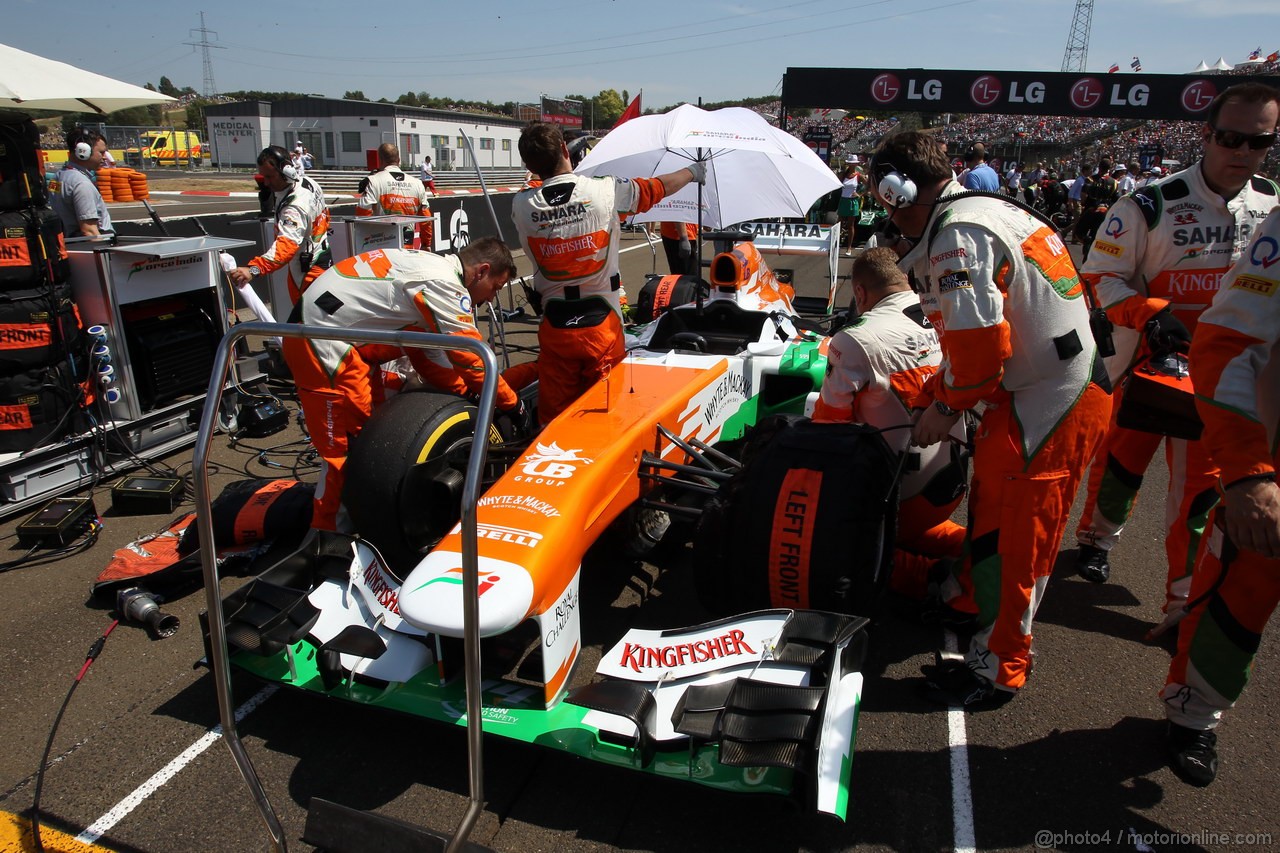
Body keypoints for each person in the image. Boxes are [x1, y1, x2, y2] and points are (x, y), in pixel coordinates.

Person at [869, 130, 1110, 708]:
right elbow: (970, 348)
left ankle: (1000, 668)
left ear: (898, 191)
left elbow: (977, 349)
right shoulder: (976, 213)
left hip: (1050, 399)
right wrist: (938, 392)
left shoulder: (959, 233)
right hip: (1029, 389)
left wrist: (945, 407)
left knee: (1023, 542)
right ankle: (969, 602)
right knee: (993, 521)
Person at [1072, 83, 1279, 617]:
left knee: (1198, 496)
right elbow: (1098, 277)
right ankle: (1096, 541)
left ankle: (1182, 604)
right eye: (1232, 138)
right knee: (1121, 464)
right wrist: (1152, 314)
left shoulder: (1273, 205)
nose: (1243, 152)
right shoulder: (1149, 202)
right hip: (1145, 364)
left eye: (1260, 142)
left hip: (1221, 378)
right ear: (1207, 135)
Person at [283, 239, 526, 531]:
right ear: (481, 271)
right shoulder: (442, 284)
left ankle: (364, 517)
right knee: (347, 453)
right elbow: (472, 359)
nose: (490, 299)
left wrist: (466, 393)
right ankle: (326, 541)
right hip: (320, 344)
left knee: (378, 429)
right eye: (495, 289)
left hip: (344, 344)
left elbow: (428, 355)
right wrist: (513, 405)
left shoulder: (429, 269)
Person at [1159, 206, 1280, 787]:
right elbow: (1225, 344)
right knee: (1238, 601)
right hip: (1269, 475)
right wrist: (1248, 472)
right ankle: (1193, 714)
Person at [511, 120, 703, 426]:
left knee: (553, 423)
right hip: (602, 327)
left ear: (529, 164)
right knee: (604, 416)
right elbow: (657, 188)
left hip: (555, 326)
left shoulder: (521, 204)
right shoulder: (604, 189)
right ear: (565, 149)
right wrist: (693, 172)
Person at [812, 247, 967, 599]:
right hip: (951, 480)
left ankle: (941, 581)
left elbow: (828, 429)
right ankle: (987, 553)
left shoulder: (854, 338)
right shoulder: (945, 313)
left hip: (901, 497)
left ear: (861, 293)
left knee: (822, 544)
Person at [229, 145, 332, 306]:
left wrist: (253, 270)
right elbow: (326, 215)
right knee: (308, 321)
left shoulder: (294, 207)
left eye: (270, 177)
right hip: (316, 256)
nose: (266, 183)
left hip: (309, 269)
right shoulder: (308, 182)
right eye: (264, 177)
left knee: (309, 323)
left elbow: (286, 247)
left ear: (287, 172)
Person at [357, 142, 434, 251]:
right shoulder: (417, 183)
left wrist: (364, 242)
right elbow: (426, 218)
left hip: (380, 249)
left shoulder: (374, 181)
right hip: (407, 247)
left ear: (380, 160)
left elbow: (362, 213)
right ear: (399, 160)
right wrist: (426, 244)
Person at [51, 129, 113, 238]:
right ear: (83, 152)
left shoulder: (57, 177)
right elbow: (89, 231)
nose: (105, 157)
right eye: (101, 152)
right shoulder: (82, 184)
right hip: (95, 246)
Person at [1074, 158, 1120, 259]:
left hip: (1090, 210)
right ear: (1110, 168)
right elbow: (1116, 199)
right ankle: (1091, 252)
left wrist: (1084, 203)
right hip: (1104, 212)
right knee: (1096, 235)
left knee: (1078, 233)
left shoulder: (1090, 179)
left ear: (1099, 167)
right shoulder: (1114, 182)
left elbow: (1083, 196)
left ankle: (1087, 242)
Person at [838, 165, 863, 255]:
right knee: (839, 224)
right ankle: (836, 244)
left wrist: (860, 194)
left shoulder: (858, 175)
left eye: (853, 163)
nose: (852, 165)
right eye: (850, 163)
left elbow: (869, 185)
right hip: (843, 200)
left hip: (853, 201)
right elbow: (836, 183)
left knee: (850, 225)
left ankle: (849, 248)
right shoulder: (843, 175)